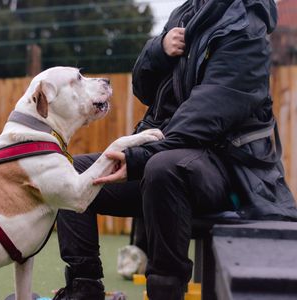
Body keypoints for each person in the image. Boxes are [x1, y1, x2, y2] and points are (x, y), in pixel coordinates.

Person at [52, 0, 297, 299]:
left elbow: (207, 113)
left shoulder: (246, 27)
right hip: (170, 151)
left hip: (229, 169)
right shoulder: (186, 13)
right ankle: (84, 289)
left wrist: (141, 156)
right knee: (74, 172)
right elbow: (143, 90)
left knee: (164, 169)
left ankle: (165, 293)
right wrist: (157, 50)